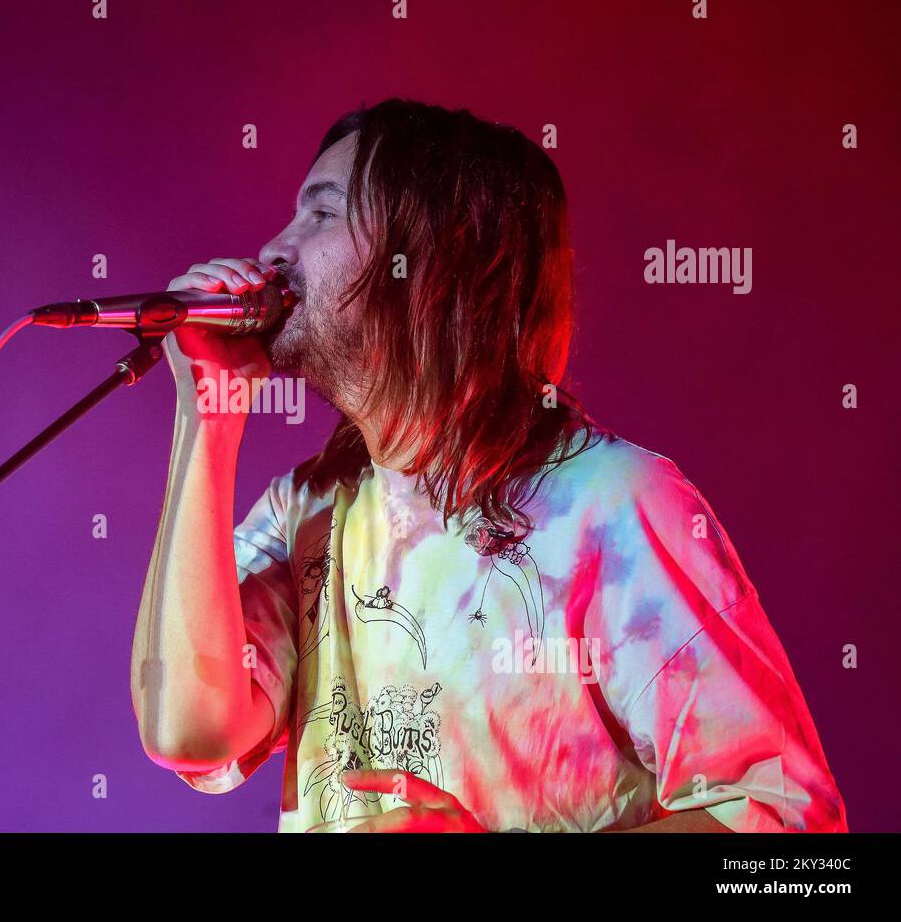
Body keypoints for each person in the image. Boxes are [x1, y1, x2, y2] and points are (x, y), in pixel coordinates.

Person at [129, 98, 847, 833]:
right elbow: (189, 732)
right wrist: (209, 411)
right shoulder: (308, 512)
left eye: (322, 214)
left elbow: (787, 827)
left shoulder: (612, 504)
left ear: (433, 258)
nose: (274, 249)